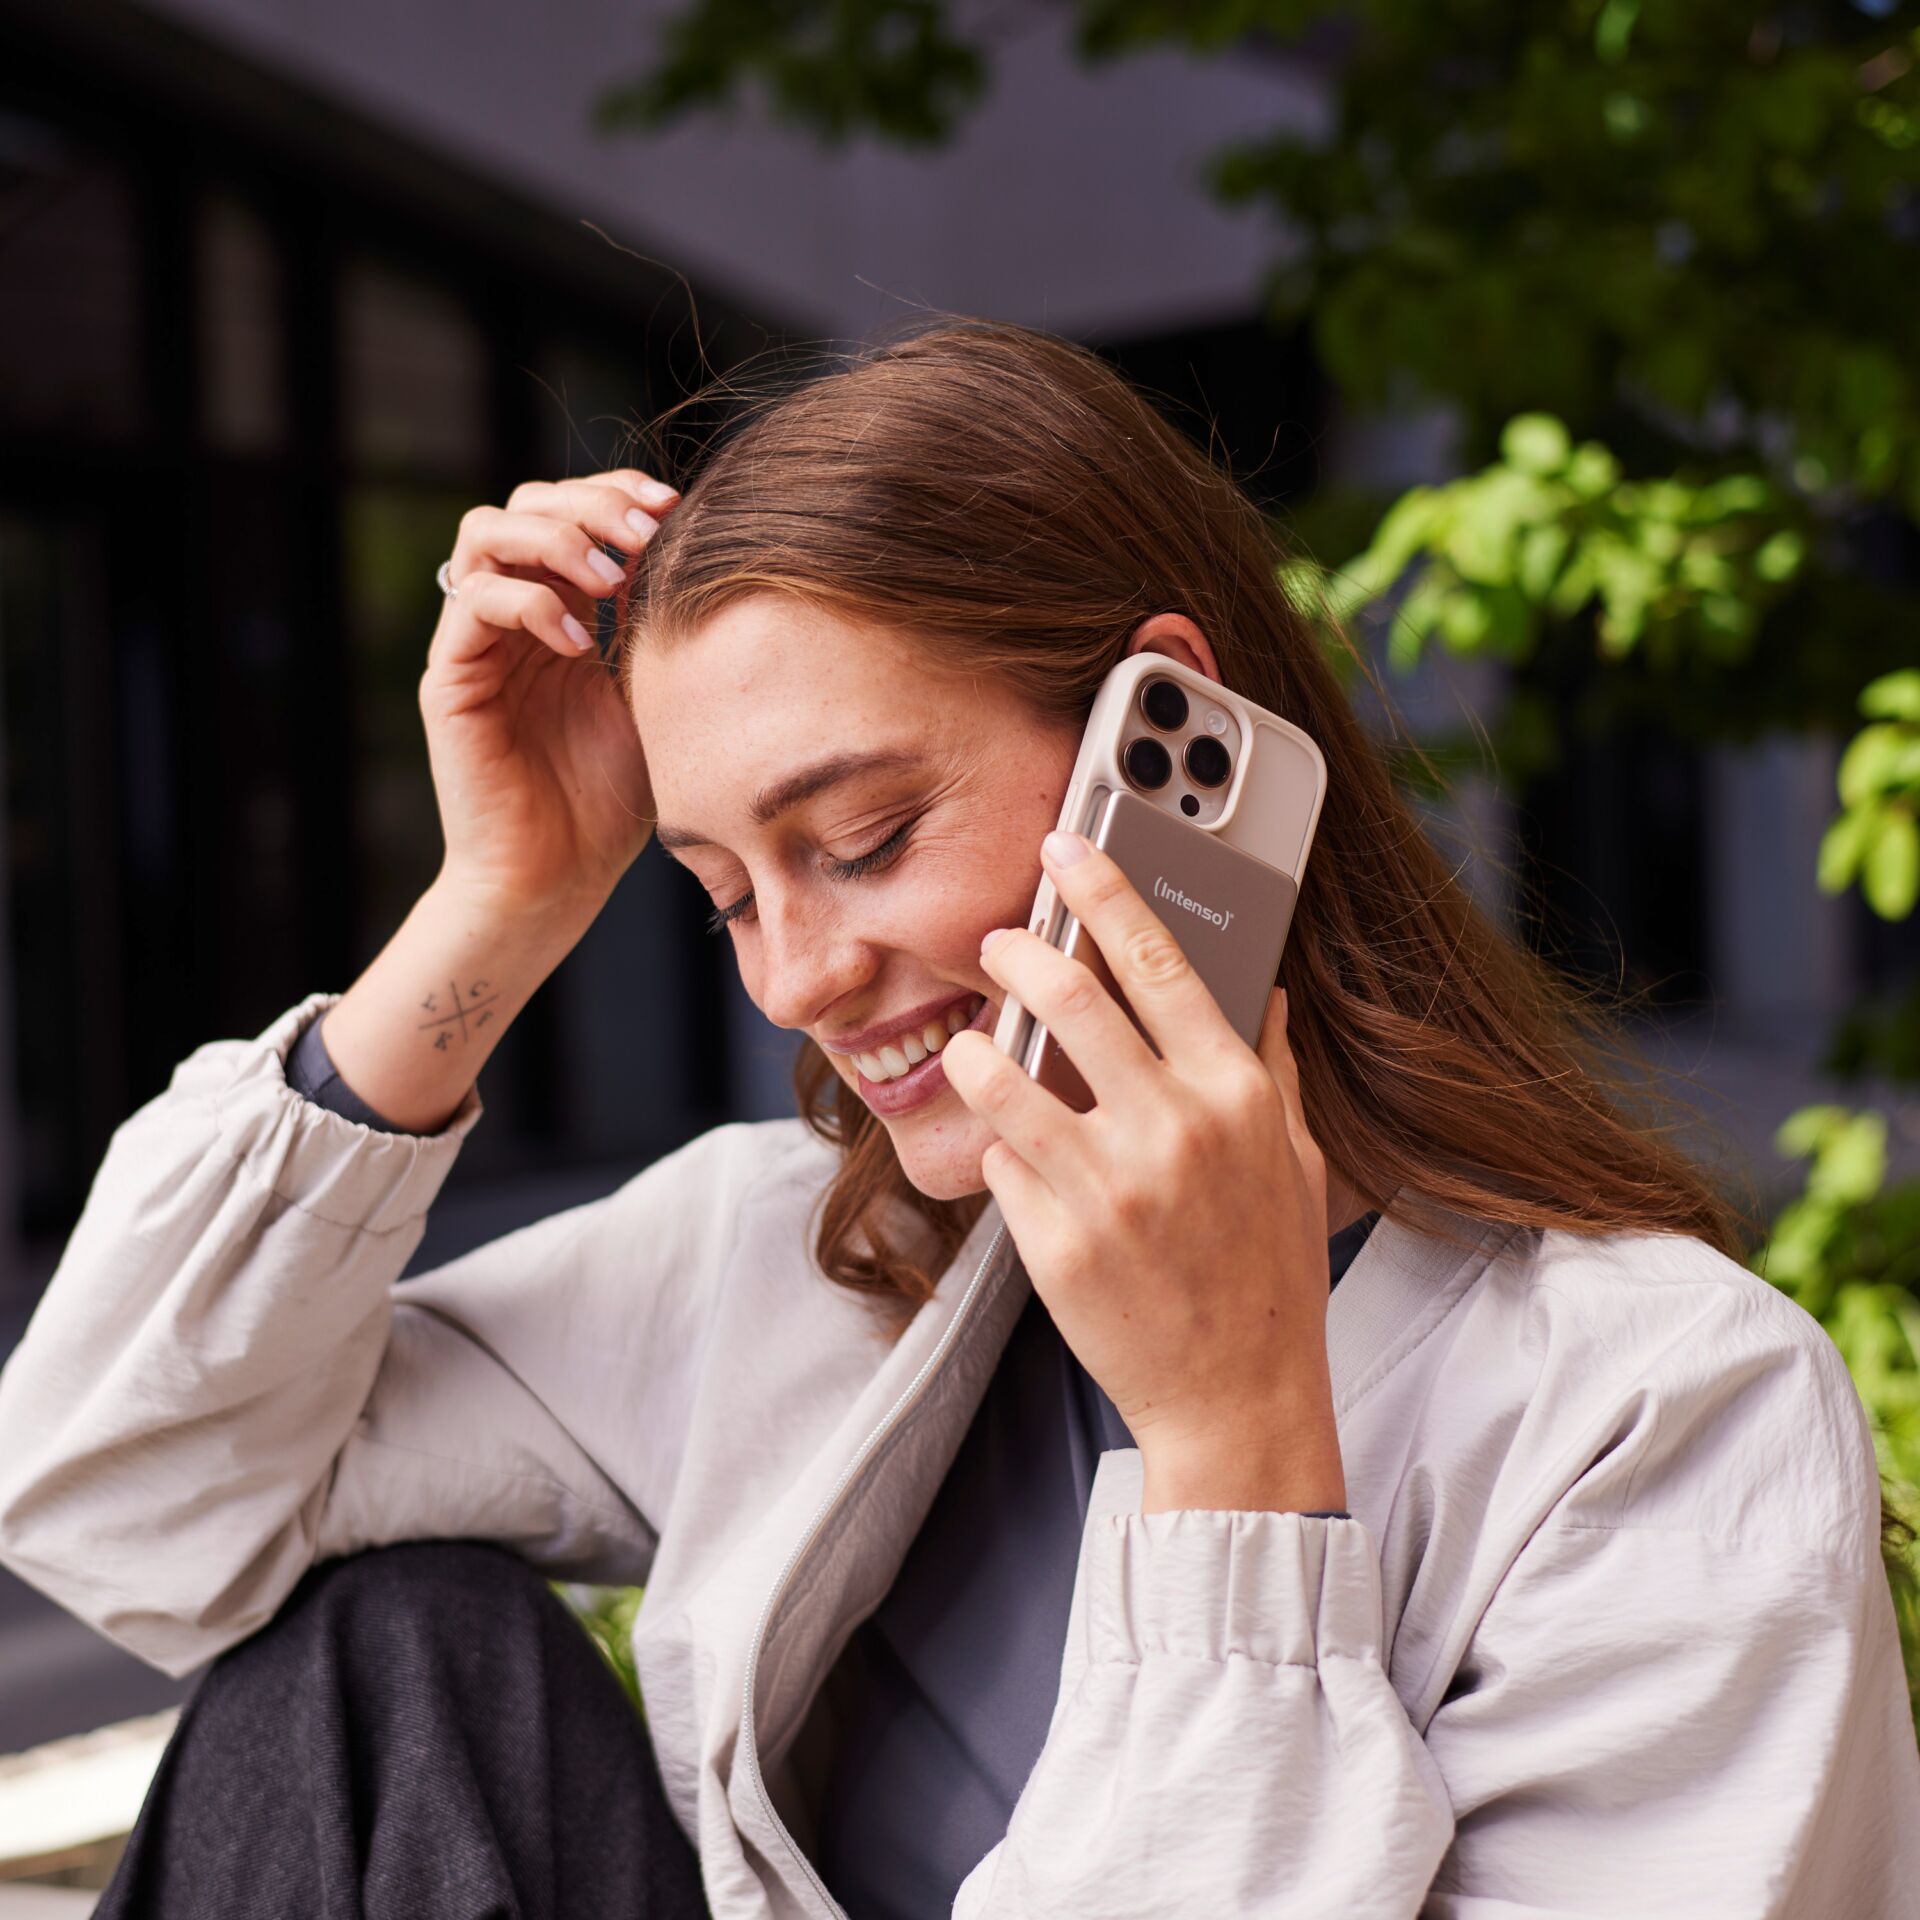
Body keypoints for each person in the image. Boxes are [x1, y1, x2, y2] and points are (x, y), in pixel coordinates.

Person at [1, 316, 1916, 1920]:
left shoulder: (1659, 1412)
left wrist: (1235, 1451)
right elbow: (130, 1504)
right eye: (725, 891)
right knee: (386, 1670)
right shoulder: (792, 1261)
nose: (795, 979)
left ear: (1160, 740)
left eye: (862, 840)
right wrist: (499, 899)